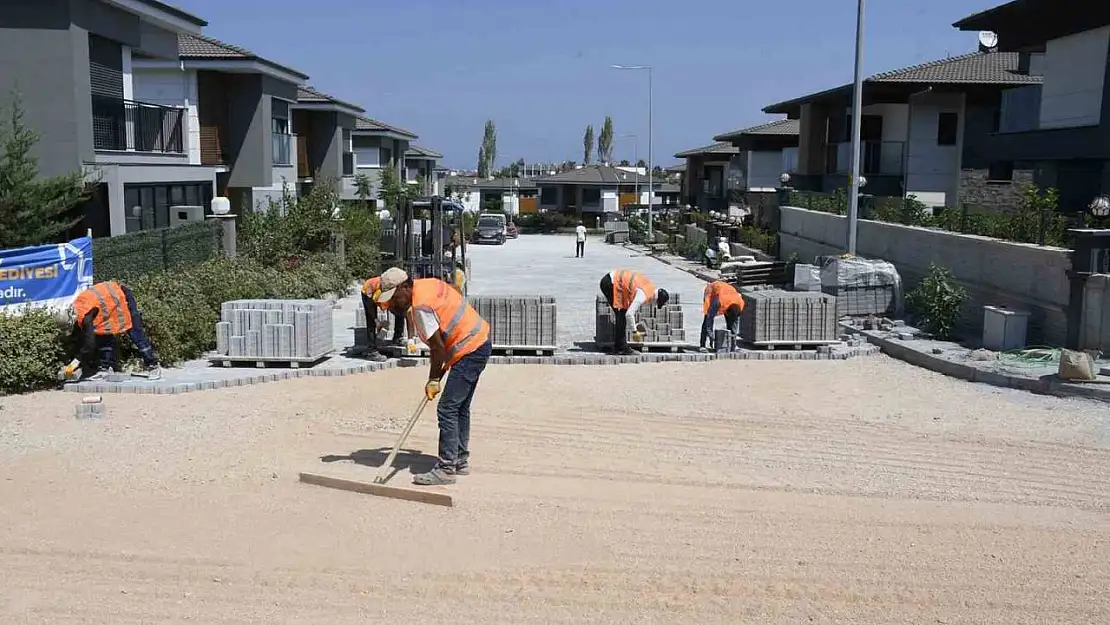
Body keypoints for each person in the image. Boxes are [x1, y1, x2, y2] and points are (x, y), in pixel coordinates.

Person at [374, 267, 492, 487]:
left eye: (395, 298)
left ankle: (447, 469)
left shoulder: (421, 307)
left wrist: (433, 379)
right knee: (459, 408)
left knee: (447, 409)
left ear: (405, 286)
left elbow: (437, 348)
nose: (393, 305)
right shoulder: (427, 284)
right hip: (478, 341)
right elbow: (454, 292)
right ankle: (459, 460)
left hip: (469, 349)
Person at [61, 280, 160, 381]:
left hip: (123, 297)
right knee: (103, 332)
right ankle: (106, 367)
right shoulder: (77, 306)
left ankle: (153, 365)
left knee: (135, 333)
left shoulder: (85, 316)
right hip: (110, 302)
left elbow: (89, 344)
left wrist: (77, 361)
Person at [598, 269, 669, 355]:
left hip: (614, 280)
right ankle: (621, 348)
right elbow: (629, 314)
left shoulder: (650, 288)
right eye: (657, 303)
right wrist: (635, 332)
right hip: (610, 283)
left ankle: (620, 347)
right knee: (621, 316)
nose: (654, 305)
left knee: (621, 314)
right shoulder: (644, 294)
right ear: (657, 299)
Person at [360, 274, 405, 362]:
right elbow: (370, 307)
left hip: (379, 292)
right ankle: (371, 351)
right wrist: (377, 321)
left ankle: (398, 337)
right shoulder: (371, 291)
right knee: (371, 322)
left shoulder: (392, 287)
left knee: (399, 312)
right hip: (367, 294)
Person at [700, 280, 745, 352]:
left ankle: (732, 346)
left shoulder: (740, 304)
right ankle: (702, 345)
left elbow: (735, 324)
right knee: (706, 318)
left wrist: (734, 342)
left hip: (726, 292)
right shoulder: (718, 302)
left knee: (731, 324)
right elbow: (709, 317)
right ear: (726, 311)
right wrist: (711, 335)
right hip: (712, 290)